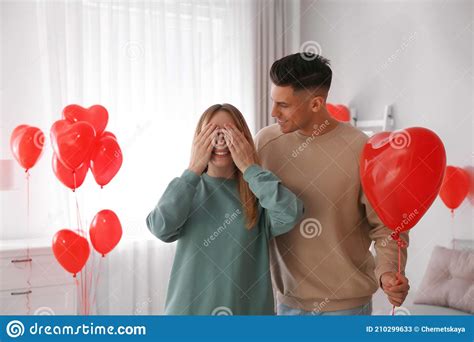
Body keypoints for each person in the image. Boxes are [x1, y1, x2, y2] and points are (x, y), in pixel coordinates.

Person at [255, 53, 410, 315]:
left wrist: (387, 273)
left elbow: (386, 225)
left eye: (283, 105)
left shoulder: (362, 149)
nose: (273, 113)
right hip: (288, 304)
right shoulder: (265, 145)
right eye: (273, 102)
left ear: (316, 104)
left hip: (347, 309)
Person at [146, 103, 304, 315]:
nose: (220, 140)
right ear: (198, 141)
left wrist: (250, 168)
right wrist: (193, 169)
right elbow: (160, 227)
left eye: (229, 133)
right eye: (211, 133)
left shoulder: (258, 191)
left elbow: (290, 213)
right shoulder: (187, 189)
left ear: (243, 140)